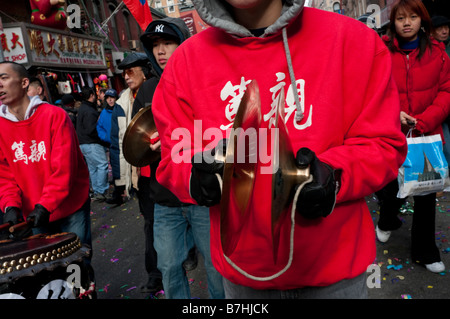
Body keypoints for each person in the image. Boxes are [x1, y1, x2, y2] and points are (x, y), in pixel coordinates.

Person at [151, 0, 407, 299]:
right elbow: (174, 155)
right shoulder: (185, 61)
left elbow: (382, 143)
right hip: (243, 276)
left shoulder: (354, 40)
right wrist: (196, 175)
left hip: (334, 271)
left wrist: (333, 175)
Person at [134, 17, 224, 299]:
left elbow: (219, 132)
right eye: (156, 45)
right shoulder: (147, 89)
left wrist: (181, 143)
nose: (161, 51)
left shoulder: (205, 80)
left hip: (201, 192)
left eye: (168, 43)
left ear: (184, 43)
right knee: (169, 266)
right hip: (164, 196)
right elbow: (135, 139)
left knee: (216, 267)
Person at [375, 0, 450, 274]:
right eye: (401, 18)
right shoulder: (380, 54)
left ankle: (426, 251)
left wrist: (425, 119)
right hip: (392, 134)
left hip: (427, 134)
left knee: (426, 194)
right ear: (392, 23)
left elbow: (446, 91)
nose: (407, 23)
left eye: (413, 17)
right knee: (393, 189)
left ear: (422, 20)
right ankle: (386, 220)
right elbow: (374, 91)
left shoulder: (439, 54)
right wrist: (396, 114)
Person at [0, 61, 92, 248]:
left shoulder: (54, 116)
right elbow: (5, 176)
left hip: (70, 206)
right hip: (34, 215)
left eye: (4, 78)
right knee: (45, 271)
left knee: (77, 265)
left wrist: (45, 205)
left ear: (24, 83)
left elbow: (64, 169)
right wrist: (11, 206)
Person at [109, 53, 149, 205]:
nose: (126, 77)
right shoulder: (121, 104)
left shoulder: (158, 92)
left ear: (144, 72)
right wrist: (121, 179)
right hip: (139, 173)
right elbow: (118, 143)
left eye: (130, 71)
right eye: (124, 73)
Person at [77, 86, 109, 201]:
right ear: (91, 96)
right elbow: (92, 130)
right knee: (102, 165)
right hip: (91, 142)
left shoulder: (83, 108)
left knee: (94, 168)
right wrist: (103, 140)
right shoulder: (89, 111)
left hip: (83, 143)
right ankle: (100, 191)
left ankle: (97, 191)